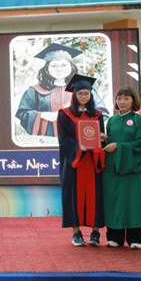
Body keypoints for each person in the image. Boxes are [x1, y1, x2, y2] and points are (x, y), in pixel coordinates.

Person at [16, 43, 110, 137]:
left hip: (78, 139)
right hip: (47, 139)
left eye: (64, 65)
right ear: (47, 69)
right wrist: (42, 115)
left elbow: (102, 113)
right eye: (54, 66)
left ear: (71, 66)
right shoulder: (35, 91)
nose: (59, 69)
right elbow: (22, 113)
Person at [57, 75, 105, 247]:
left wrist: (101, 139)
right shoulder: (64, 114)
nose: (83, 96)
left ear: (91, 95)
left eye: (86, 93)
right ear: (74, 95)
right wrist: (79, 147)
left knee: (96, 195)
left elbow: (100, 138)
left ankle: (95, 232)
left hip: (92, 162)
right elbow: (63, 140)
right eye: (80, 93)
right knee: (73, 196)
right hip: (74, 162)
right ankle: (76, 233)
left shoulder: (98, 115)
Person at [101, 85, 141, 249]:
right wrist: (105, 139)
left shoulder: (139, 120)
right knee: (114, 201)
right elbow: (110, 141)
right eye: (119, 98)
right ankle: (114, 237)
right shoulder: (112, 120)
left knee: (133, 202)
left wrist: (118, 146)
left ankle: (135, 239)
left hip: (132, 168)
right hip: (112, 169)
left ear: (133, 100)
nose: (122, 102)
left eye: (126, 98)